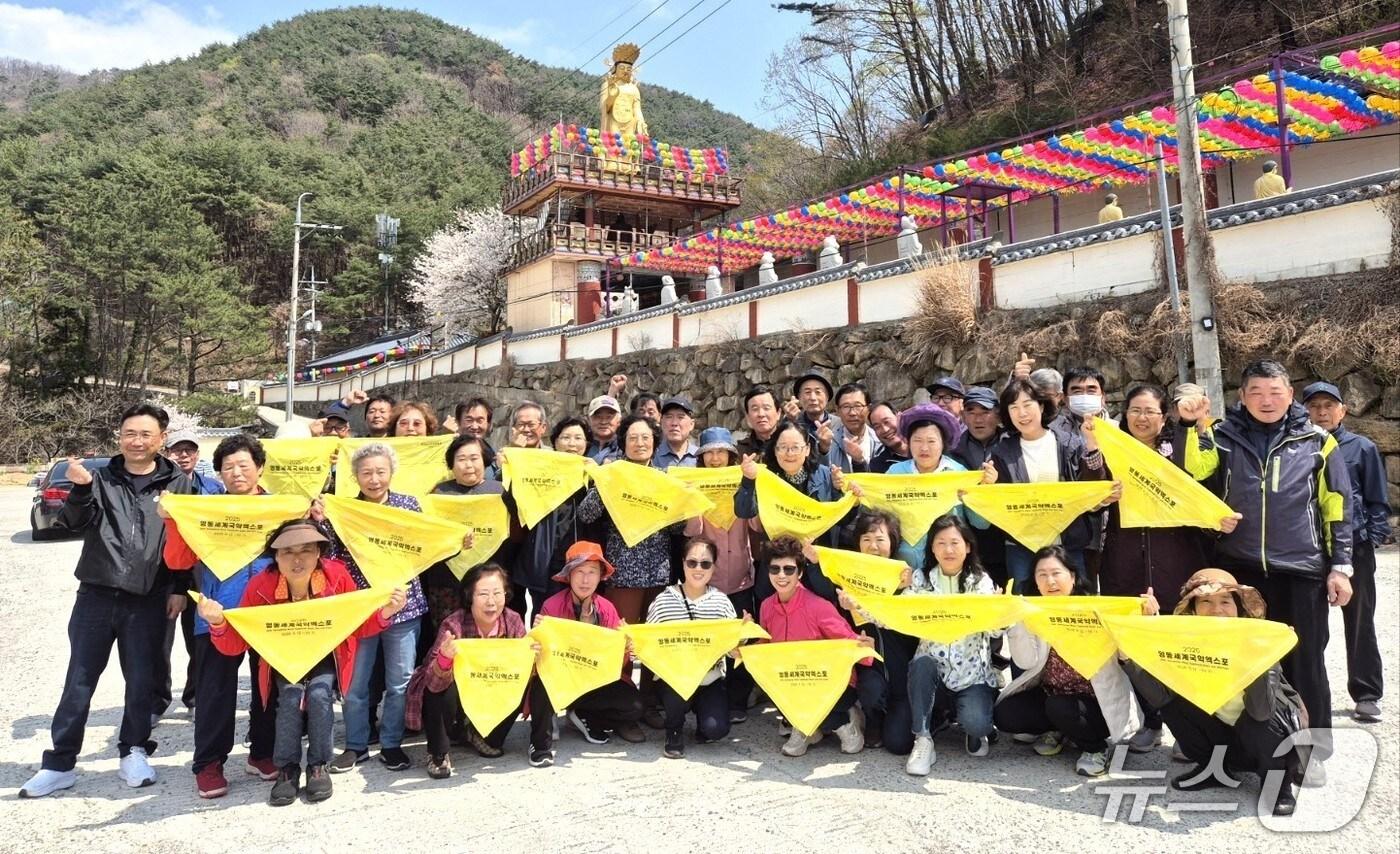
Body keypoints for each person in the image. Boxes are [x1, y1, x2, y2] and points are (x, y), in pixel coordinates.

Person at [20, 403, 195, 799]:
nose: (137, 441)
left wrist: (179, 588)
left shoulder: (179, 483)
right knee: (79, 680)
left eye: (146, 434)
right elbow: (72, 523)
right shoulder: (100, 478)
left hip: (150, 597)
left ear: (162, 439)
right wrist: (81, 490)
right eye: (130, 433)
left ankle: (133, 750)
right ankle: (59, 763)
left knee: (141, 680)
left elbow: (185, 540)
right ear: (119, 436)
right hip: (96, 593)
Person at [1192, 359, 1353, 784]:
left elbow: (1337, 506)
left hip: (1301, 569)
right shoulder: (1222, 437)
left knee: (1305, 661)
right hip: (1240, 569)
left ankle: (1311, 752)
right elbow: (1194, 480)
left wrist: (1340, 567)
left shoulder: (1318, 441)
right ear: (1242, 397)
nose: (1266, 401)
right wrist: (1195, 428)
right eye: (1257, 392)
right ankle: (1236, 747)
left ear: (1290, 395)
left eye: (1275, 392)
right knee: (1240, 663)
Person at [202, 521, 408, 805]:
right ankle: (287, 768)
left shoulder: (337, 576)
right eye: (287, 551)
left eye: (306, 550)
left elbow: (358, 624)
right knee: (289, 697)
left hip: (326, 654)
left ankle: (318, 765)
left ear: (319, 553)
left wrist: (387, 611)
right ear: (275, 556)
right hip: (282, 657)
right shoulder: (261, 585)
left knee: (320, 695)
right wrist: (218, 623)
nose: (297, 560)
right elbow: (237, 642)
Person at [1100, 383, 1240, 753]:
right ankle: (1151, 721)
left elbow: (1205, 485)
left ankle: (1190, 727)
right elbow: (1089, 492)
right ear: (1124, 415)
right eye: (1135, 410)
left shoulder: (1178, 448)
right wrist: (1103, 489)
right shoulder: (1111, 451)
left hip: (1177, 558)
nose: (1142, 418)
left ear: (1164, 417)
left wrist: (1217, 517)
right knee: (1135, 644)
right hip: (1125, 561)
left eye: (1150, 411)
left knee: (1182, 644)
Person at [1124, 569, 1303, 816]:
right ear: (1193, 609)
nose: (1216, 609)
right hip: (1225, 737)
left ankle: (1278, 784)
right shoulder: (1184, 645)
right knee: (1174, 707)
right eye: (1206, 601)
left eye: (1225, 602)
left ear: (1239, 608)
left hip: (1267, 737)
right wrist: (1129, 656)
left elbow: (1262, 710)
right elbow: (1161, 698)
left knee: (1262, 720)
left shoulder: (1259, 639)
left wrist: (1259, 656)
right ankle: (1213, 769)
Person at [159, 434, 280, 798]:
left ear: (260, 468)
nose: (237, 473)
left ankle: (262, 752)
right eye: (228, 467)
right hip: (216, 612)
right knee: (214, 691)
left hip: (268, 611)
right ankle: (209, 763)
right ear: (219, 473)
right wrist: (173, 521)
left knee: (268, 688)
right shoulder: (207, 510)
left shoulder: (281, 508)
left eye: (244, 465)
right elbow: (178, 560)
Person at [312, 443, 432, 774]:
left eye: (381, 471)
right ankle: (356, 745)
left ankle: (391, 743)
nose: (374, 479)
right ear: (355, 477)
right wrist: (322, 522)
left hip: (403, 606)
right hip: (360, 609)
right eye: (366, 473)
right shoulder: (344, 509)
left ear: (392, 473)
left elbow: (426, 545)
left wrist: (457, 540)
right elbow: (330, 555)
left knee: (399, 681)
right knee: (355, 683)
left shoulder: (409, 506)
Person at [994, 547, 1145, 777]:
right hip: (1053, 695)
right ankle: (1060, 730)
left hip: (1096, 704)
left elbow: (1127, 655)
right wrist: (1017, 621)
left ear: (1072, 577)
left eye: (1056, 573)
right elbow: (1025, 662)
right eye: (1042, 575)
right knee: (1005, 714)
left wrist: (1145, 617)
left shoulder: (1097, 610)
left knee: (1060, 706)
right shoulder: (1035, 612)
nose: (1050, 581)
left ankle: (1095, 749)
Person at [578, 414, 682, 727]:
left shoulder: (665, 477)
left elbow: (677, 528)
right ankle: (621, 709)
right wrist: (605, 483)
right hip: (622, 573)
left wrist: (678, 499)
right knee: (619, 643)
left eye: (645, 437)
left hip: (659, 573)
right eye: (633, 438)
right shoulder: (613, 473)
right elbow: (586, 514)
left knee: (652, 643)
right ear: (623, 443)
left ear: (655, 442)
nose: (639, 443)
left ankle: (648, 703)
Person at [406, 563, 556, 776]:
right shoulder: (453, 624)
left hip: (493, 688)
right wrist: (445, 659)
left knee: (534, 677)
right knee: (441, 688)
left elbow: (523, 672)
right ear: (470, 596)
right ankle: (438, 754)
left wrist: (533, 658)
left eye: (497, 593)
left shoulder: (512, 620)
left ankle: (504, 741)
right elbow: (431, 680)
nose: (491, 601)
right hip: (462, 696)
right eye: (483, 594)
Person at [1302, 380, 1390, 724]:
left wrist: (1371, 539)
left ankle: (1366, 693)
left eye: (1328, 406)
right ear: (1304, 411)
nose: (1321, 413)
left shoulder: (1362, 448)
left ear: (1343, 411)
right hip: (1309, 547)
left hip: (1354, 548)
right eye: (1314, 406)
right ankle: (1304, 698)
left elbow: (1377, 498)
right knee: (1309, 626)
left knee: (1359, 621)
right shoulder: (1299, 446)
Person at [756, 536, 877, 757]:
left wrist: (865, 648)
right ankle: (805, 729)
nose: (781, 575)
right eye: (775, 569)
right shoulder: (766, 607)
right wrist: (742, 647)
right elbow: (764, 645)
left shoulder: (818, 606)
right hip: (793, 680)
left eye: (789, 569)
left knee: (825, 712)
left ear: (800, 573)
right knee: (775, 687)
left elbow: (847, 639)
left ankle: (846, 721)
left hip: (832, 682)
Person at [904, 516, 1003, 775]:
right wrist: (860, 607)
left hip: (971, 677)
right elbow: (897, 616)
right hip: (933, 673)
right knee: (921, 664)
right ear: (932, 547)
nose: (948, 550)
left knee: (977, 723)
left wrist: (1000, 613)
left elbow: (995, 631)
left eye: (955, 543)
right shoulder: (920, 579)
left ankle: (975, 728)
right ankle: (923, 740)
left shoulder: (981, 581)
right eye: (941, 543)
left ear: (968, 546)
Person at [991, 379, 1110, 590]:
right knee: (1025, 603)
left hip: (1068, 543)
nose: (1022, 413)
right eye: (1014, 407)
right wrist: (989, 486)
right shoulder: (1002, 452)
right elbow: (998, 504)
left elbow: (1091, 488)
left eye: (1027, 405)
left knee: (1074, 603)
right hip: (1022, 546)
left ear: (1042, 406)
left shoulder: (1069, 444)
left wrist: (1092, 445)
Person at [682, 427, 761, 722]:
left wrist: (749, 485)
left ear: (731, 456)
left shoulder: (743, 481)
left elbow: (756, 526)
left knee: (742, 638)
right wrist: (692, 500)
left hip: (741, 578)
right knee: (710, 641)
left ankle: (737, 700)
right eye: (709, 453)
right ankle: (707, 697)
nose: (715, 459)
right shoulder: (696, 483)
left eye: (721, 452)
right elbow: (692, 532)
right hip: (708, 580)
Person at [535, 541, 646, 745]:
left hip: (594, 681)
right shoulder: (552, 606)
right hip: (562, 678)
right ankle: (549, 716)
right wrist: (538, 636)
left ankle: (583, 714)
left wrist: (625, 648)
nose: (585, 580)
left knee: (635, 706)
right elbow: (540, 659)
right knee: (540, 681)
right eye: (579, 571)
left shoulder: (607, 609)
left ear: (600, 575)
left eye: (592, 572)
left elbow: (614, 665)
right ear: (569, 575)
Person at [869, 403, 994, 570]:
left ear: (943, 443)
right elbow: (879, 515)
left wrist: (983, 490)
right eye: (917, 440)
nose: (924, 448)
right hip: (904, 566)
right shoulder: (895, 473)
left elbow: (981, 523)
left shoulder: (958, 473)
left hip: (947, 565)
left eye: (931, 441)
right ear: (908, 442)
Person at [830, 509, 914, 755]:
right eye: (866, 539)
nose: (873, 546)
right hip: (869, 669)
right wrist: (851, 628)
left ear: (892, 543)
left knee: (899, 744)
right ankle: (872, 717)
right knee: (870, 689)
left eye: (880, 539)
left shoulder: (906, 577)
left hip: (903, 673)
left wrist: (904, 591)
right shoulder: (848, 578)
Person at [647, 538, 740, 758]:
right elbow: (648, 642)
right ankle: (674, 730)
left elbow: (730, 647)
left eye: (705, 564)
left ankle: (703, 723)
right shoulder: (663, 601)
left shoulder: (721, 602)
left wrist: (740, 643)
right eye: (692, 562)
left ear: (713, 568)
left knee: (716, 730)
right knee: (675, 691)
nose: (698, 569)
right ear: (683, 563)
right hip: (674, 677)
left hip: (709, 678)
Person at [152, 428, 222, 724]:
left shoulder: (214, 488)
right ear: (166, 453)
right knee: (159, 644)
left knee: (198, 641)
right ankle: (156, 701)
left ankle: (194, 697)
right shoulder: (158, 487)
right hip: (163, 573)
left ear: (197, 454)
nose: (183, 456)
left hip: (200, 574)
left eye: (189, 450)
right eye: (177, 450)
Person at [735, 419, 846, 603]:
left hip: (817, 569)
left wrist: (840, 492)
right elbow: (743, 512)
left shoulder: (826, 475)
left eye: (795, 447)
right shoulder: (765, 478)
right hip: (776, 571)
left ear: (807, 449)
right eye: (783, 447)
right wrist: (748, 480)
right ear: (775, 450)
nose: (789, 453)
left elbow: (844, 520)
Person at [425, 435, 518, 628]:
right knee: (448, 635)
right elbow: (429, 536)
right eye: (461, 459)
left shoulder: (501, 491)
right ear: (451, 464)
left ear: (484, 461)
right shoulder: (438, 494)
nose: (468, 465)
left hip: (489, 580)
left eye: (474, 458)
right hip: (446, 580)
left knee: (488, 635)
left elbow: (516, 531)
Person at [512, 418, 595, 611]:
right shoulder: (540, 473)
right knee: (545, 615)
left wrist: (598, 479)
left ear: (586, 444)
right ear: (555, 443)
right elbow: (513, 502)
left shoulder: (593, 476)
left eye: (578, 438)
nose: (572, 444)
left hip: (582, 562)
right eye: (565, 438)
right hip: (546, 563)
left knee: (580, 617)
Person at [950, 387, 1009, 587]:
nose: (978, 419)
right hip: (968, 536)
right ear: (963, 416)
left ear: (998, 415)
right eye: (971, 412)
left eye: (985, 412)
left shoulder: (1012, 444)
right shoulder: (953, 449)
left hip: (1008, 534)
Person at [826, 383, 879, 472]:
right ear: (837, 410)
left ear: (868, 408)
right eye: (846, 407)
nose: (852, 413)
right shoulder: (829, 443)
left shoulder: (879, 441)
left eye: (858, 406)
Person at [787, 372, 835, 456]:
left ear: (827, 397)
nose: (813, 398)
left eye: (818, 392)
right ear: (799, 397)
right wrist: (789, 423)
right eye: (807, 392)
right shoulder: (793, 423)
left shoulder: (840, 425)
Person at [736, 386, 781, 459]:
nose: (761, 414)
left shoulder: (790, 445)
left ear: (778, 413)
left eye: (766, 408)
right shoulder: (739, 452)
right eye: (755, 409)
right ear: (747, 417)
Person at [655, 396, 699, 468]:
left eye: (680, 417)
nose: (674, 423)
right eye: (669, 417)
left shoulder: (701, 457)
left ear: (691, 424)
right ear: (661, 422)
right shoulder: (651, 456)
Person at [867, 401, 910, 473]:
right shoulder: (877, 466)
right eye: (877, 427)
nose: (885, 429)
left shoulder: (925, 449)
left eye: (887, 421)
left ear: (899, 417)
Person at [586, 395, 623, 462]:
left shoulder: (624, 448)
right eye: (598, 417)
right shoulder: (579, 445)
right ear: (589, 420)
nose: (603, 422)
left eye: (609, 417)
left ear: (619, 421)